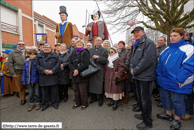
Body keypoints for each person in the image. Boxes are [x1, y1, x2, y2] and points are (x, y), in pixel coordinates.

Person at [156, 28, 194, 130]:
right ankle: (168, 114)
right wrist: (158, 76)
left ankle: (177, 119)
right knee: (165, 98)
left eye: (175, 36)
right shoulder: (167, 49)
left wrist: (180, 80)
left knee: (178, 101)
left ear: (182, 36)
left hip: (178, 81)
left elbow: (189, 66)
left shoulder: (189, 48)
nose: (172, 38)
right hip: (164, 80)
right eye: (171, 36)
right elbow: (160, 63)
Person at [130, 26, 156, 130]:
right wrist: (131, 68)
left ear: (143, 32)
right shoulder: (136, 44)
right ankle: (144, 115)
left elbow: (147, 60)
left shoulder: (149, 43)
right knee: (140, 98)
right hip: (137, 76)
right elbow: (132, 58)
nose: (136, 34)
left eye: (138, 32)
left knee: (146, 99)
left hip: (145, 76)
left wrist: (135, 71)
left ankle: (147, 122)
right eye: (134, 33)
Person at [34, 43, 60, 111]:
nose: (46, 48)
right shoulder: (38, 56)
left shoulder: (55, 55)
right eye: (45, 47)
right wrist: (43, 70)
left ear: (50, 48)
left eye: (47, 47)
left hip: (53, 75)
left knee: (54, 92)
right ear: (42, 48)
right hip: (43, 76)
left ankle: (55, 103)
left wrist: (52, 71)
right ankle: (45, 104)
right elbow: (36, 65)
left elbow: (58, 64)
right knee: (44, 92)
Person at [69, 40, 90, 110]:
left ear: (83, 45)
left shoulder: (85, 52)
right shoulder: (73, 52)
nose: (78, 44)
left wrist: (77, 70)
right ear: (75, 44)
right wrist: (73, 70)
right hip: (74, 74)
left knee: (82, 91)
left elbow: (86, 64)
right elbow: (70, 63)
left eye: (80, 43)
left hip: (82, 74)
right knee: (75, 90)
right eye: (77, 43)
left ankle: (85, 104)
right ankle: (77, 103)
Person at [89, 37, 108, 107]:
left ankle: (100, 99)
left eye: (99, 40)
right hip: (91, 69)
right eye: (96, 40)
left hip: (99, 69)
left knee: (99, 85)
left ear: (101, 42)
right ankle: (93, 98)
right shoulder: (91, 50)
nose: (97, 41)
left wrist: (98, 57)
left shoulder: (104, 50)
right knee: (92, 84)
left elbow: (105, 60)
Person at [8, 40, 27, 105]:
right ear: (17, 45)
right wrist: (13, 73)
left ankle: (34, 98)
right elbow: (10, 64)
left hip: (28, 71)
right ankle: (23, 99)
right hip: (18, 72)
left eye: (22, 44)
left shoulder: (28, 52)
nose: (21, 45)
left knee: (31, 85)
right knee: (20, 86)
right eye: (19, 44)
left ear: (24, 45)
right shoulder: (12, 53)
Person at [155, 36, 167, 107]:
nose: (159, 41)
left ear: (165, 41)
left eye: (161, 40)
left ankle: (163, 102)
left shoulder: (165, 49)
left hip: (162, 71)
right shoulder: (157, 49)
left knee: (163, 88)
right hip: (157, 70)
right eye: (158, 40)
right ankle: (161, 98)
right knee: (159, 86)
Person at [130, 35, 140, 111]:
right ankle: (138, 103)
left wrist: (135, 70)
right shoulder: (132, 48)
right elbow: (131, 60)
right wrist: (131, 69)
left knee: (141, 92)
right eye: (131, 40)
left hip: (139, 72)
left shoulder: (139, 48)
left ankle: (141, 106)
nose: (132, 41)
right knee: (137, 90)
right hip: (133, 72)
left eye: (134, 39)